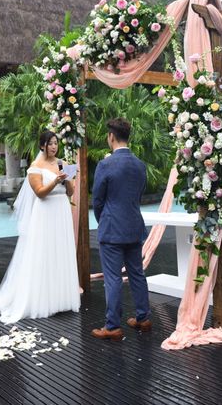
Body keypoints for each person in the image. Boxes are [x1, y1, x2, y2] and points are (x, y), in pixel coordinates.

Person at [0, 130, 80, 322]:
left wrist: (66, 180)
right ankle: (44, 300)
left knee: (60, 251)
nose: (53, 146)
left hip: (61, 211)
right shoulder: (35, 167)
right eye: (50, 143)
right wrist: (55, 181)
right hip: (45, 212)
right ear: (42, 145)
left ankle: (62, 298)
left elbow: (70, 191)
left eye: (55, 143)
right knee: (44, 253)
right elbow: (40, 193)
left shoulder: (63, 164)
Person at [91, 118, 151, 341]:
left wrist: (103, 219)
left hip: (112, 228)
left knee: (113, 278)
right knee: (137, 273)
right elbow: (139, 194)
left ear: (111, 137)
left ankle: (113, 326)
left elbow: (97, 200)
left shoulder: (105, 165)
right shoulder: (140, 164)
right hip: (134, 226)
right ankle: (143, 318)